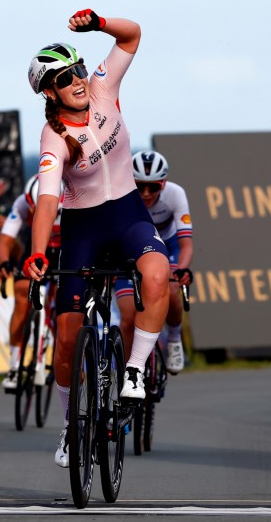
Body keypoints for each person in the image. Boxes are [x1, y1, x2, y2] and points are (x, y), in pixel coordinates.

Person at [23, 10, 170, 467]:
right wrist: (36, 253)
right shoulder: (54, 137)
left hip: (127, 212)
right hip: (83, 227)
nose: (79, 79)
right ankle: (70, 428)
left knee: (157, 272)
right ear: (50, 91)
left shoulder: (104, 88)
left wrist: (100, 23)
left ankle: (132, 372)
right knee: (67, 339)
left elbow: (134, 35)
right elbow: (47, 201)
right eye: (66, 77)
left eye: (79, 69)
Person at [114, 151, 193, 374]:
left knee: (171, 287)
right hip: (129, 251)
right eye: (139, 187)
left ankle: (175, 340)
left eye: (154, 187)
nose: (146, 193)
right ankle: (128, 374)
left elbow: (185, 243)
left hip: (167, 247)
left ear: (164, 184)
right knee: (128, 320)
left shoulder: (176, 194)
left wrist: (183, 269)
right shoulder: (122, 196)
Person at [0, 174, 63, 390]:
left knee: (67, 301)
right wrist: (5, 262)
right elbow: (5, 240)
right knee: (22, 294)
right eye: (35, 210)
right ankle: (14, 365)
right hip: (37, 247)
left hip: (65, 248)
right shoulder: (23, 203)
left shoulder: (74, 198)